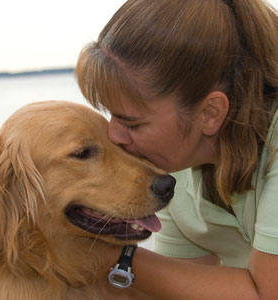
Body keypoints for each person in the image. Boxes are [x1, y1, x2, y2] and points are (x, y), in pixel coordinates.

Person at [75, 0, 278, 298]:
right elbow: (181, 288)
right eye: (111, 114)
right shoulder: (173, 170)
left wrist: (111, 257)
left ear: (210, 113)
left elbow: (266, 293)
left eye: (131, 123)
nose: (113, 135)